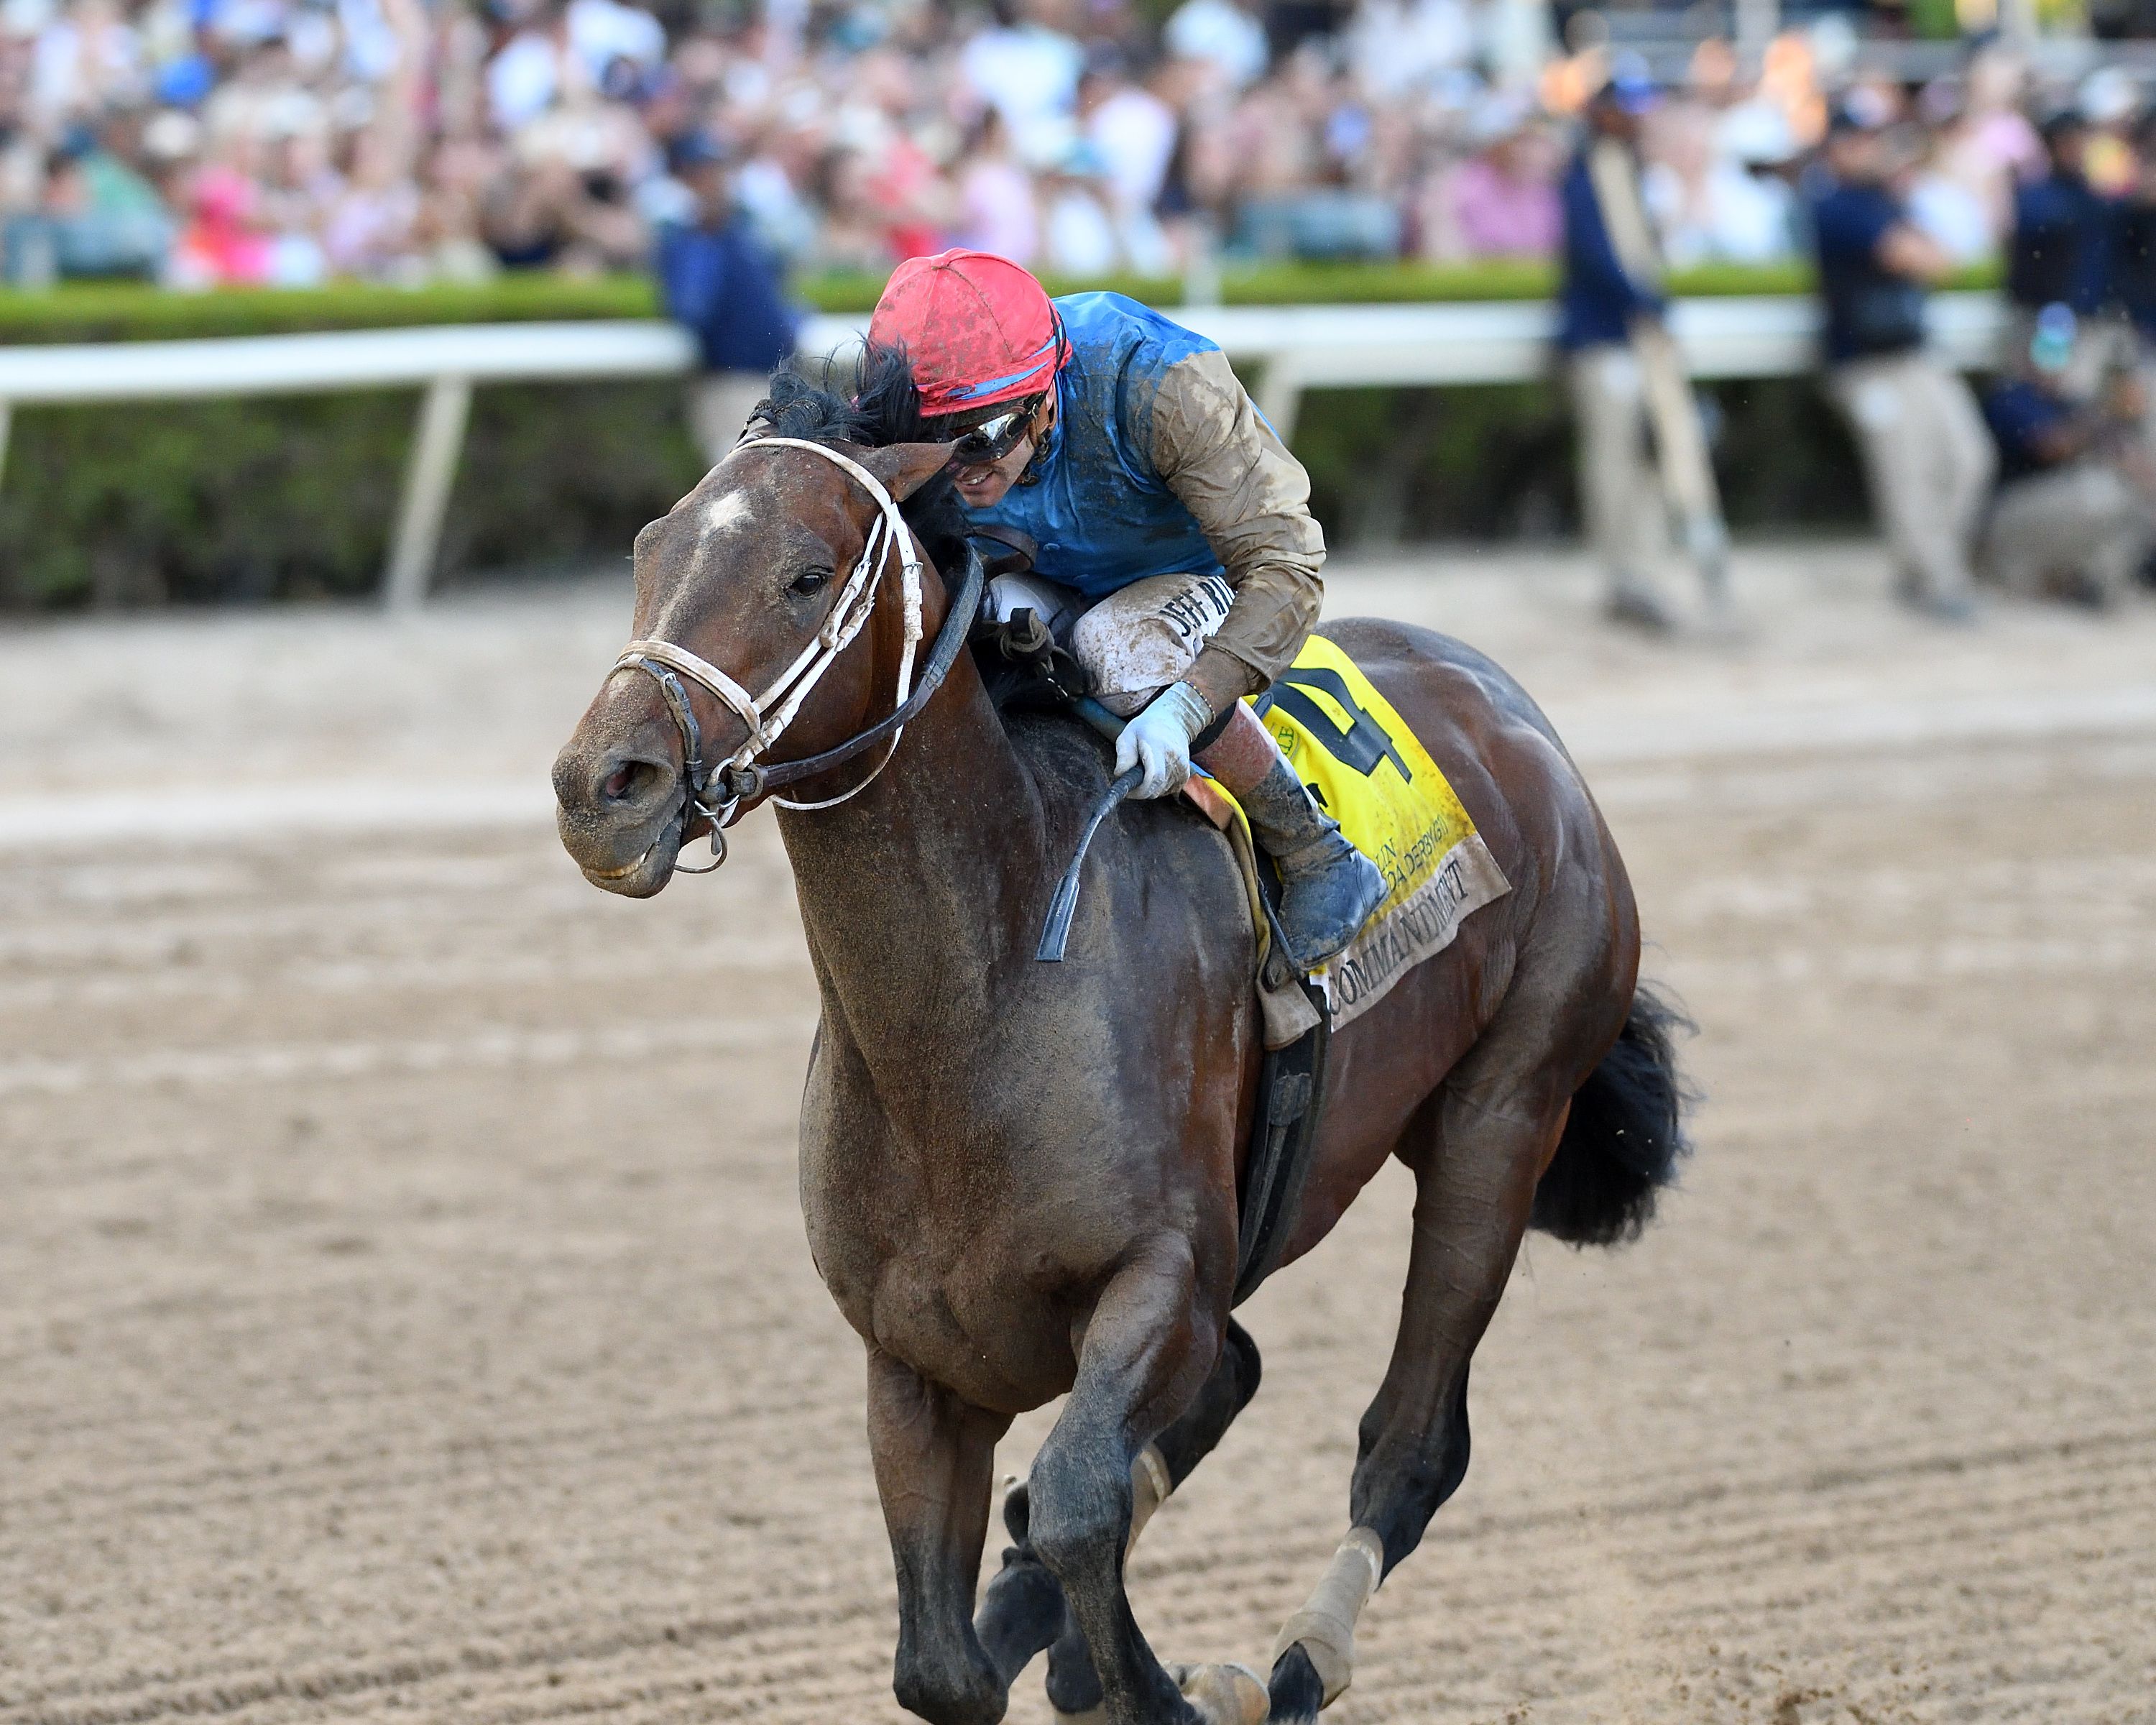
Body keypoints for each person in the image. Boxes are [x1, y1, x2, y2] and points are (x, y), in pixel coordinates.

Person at [865, 248, 1387, 972]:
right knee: (957, 627)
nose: (964, 472)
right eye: (933, 445)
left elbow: (1287, 566)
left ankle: (1314, 850)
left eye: (984, 441)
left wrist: (1187, 706)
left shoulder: (1160, 380)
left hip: (1195, 576)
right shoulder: (909, 418)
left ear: (1046, 395)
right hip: (1042, 574)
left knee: (1117, 647)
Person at [1810, 96, 1994, 622]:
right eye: (1860, 140)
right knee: (1907, 475)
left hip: (1914, 354)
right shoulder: (1834, 203)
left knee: (1968, 459)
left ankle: (1928, 568)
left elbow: (1945, 258)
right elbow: (1912, 257)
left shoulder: (1887, 200)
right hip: (1866, 365)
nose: (1872, 150)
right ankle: (1936, 580)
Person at [1557, 64, 1697, 629]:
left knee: (1650, 458)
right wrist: (1643, 297)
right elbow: (1597, 256)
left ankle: (1648, 570)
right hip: (1603, 343)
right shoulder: (1586, 174)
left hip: (1638, 345)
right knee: (1613, 462)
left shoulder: (1634, 171)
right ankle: (1622, 577)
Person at [1979, 313, 2154, 609]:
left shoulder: (2070, 402)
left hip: (2049, 511)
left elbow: (2124, 457)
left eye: (2062, 349)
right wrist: (2108, 409)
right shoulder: (2010, 396)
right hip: (2004, 518)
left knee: (2135, 498)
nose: (2054, 358)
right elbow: (2050, 446)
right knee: (2100, 493)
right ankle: (2032, 576)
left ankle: (2086, 580)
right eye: (2046, 348)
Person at [654, 134, 801, 467]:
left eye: (717, 171)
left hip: (778, 380)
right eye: (702, 174)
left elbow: (778, 292)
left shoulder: (744, 227)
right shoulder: (683, 238)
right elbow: (691, 308)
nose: (714, 182)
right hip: (728, 385)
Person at [2007, 109, 2124, 401]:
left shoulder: (2094, 196)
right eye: (2069, 141)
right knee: (2056, 397)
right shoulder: (2037, 196)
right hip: (2049, 318)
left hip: (2091, 319)